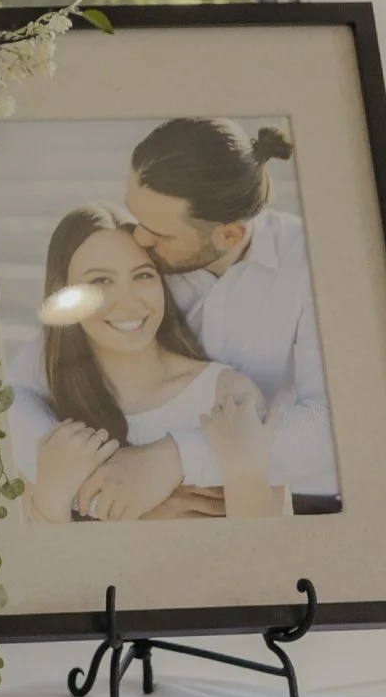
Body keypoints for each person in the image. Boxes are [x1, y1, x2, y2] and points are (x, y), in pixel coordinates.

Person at [6, 117, 339, 517]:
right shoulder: (140, 262)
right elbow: (14, 393)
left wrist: (176, 459)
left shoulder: (313, 264)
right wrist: (103, 493)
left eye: (158, 233)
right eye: (136, 216)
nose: (138, 239)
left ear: (229, 235)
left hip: (301, 502)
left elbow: (333, 424)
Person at [19, 206, 290, 524]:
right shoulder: (46, 418)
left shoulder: (227, 396)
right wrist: (52, 498)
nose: (129, 300)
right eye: (100, 281)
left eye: (143, 275)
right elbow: (49, 556)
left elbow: (270, 546)